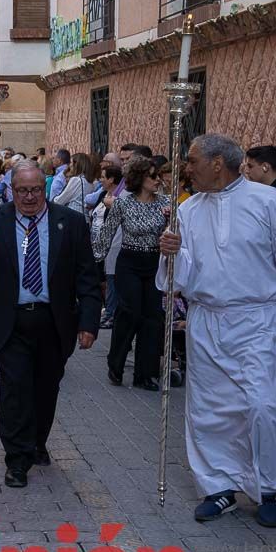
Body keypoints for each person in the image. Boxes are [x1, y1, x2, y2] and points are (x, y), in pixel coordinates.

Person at [158, 134, 276, 528]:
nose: (187, 167)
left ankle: (270, 489)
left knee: (263, 406)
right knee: (209, 410)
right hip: (206, 321)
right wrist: (171, 252)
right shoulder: (188, 209)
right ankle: (218, 487)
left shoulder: (270, 202)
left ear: (218, 163)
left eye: (193, 160)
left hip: (257, 321)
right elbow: (178, 278)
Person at [0, 161, 101, 488]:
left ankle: (37, 440)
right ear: (11, 190)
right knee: (16, 389)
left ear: (44, 189)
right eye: (22, 190)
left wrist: (89, 323)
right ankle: (17, 458)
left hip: (54, 321)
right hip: (11, 321)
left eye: (36, 189)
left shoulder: (71, 223)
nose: (29, 197)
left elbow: (87, 278)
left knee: (46, 388)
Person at [92, 157, 170, 390]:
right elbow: (106, 234)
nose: (158, 181)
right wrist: (91, 264)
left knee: (153, 317)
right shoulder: (123, 204)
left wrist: (170, 220)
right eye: (153, 176)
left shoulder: (165, 203)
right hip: (129, 262)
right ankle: (115, 363)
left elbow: (175, 234)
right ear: (140, 178)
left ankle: (146, 373)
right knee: (130, 311)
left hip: (154, 262)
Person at [90, 166, 124, 328]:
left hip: (113, 244)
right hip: (99, 243)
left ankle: (111, 313)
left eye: (103, 177)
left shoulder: (119, 198)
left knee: (111, 280)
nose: (101, 180)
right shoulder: (104, 195)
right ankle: (108, 311)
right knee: (104, 278)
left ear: (111, 179)